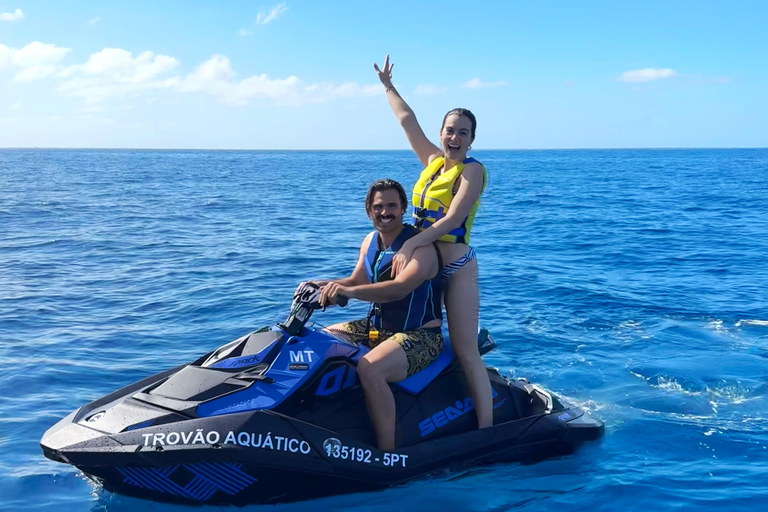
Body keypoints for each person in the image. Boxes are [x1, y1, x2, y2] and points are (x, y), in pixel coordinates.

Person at [372, 55, 493, 430]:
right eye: (450, 130)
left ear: (472, 140)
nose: (454, 138)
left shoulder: (472, 171)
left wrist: (409, 245)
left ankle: (488, 429)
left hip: (454, 267)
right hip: (426, 265)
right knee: (411, 329)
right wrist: (388, 87)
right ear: (441, 134)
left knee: (465, 350)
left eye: (463, 133)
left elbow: (454, 219)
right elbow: (406, 121)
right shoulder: (431, 162)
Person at [316, 178, 444, 451]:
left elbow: (399, 289)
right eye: (378, 207)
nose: (385, 212)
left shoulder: (420, 248)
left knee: (370, 368)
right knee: (320, 341)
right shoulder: (370, 241)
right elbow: (356, 279)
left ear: (403, 208)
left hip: (420, 335)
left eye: (391, 206)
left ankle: (387, 451)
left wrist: (348, 294)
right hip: (375, 327)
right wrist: (322, 285)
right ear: (368, 210)